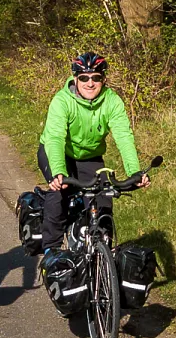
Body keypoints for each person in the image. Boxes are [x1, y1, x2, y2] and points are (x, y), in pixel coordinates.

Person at [36, 52, 148, 258]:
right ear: (76, 79)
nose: (90, 83)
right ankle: (50, 252)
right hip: (59, 153)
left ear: (103, 80)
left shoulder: (112, 101)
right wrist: (58, 171)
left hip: (90, 157)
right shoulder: (62, 101)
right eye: (84, 78)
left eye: (95, 77)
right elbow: (55, 139)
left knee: (103, 199)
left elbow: (124, 137)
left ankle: (103, 255)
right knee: (58, 195)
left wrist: (135, 172)